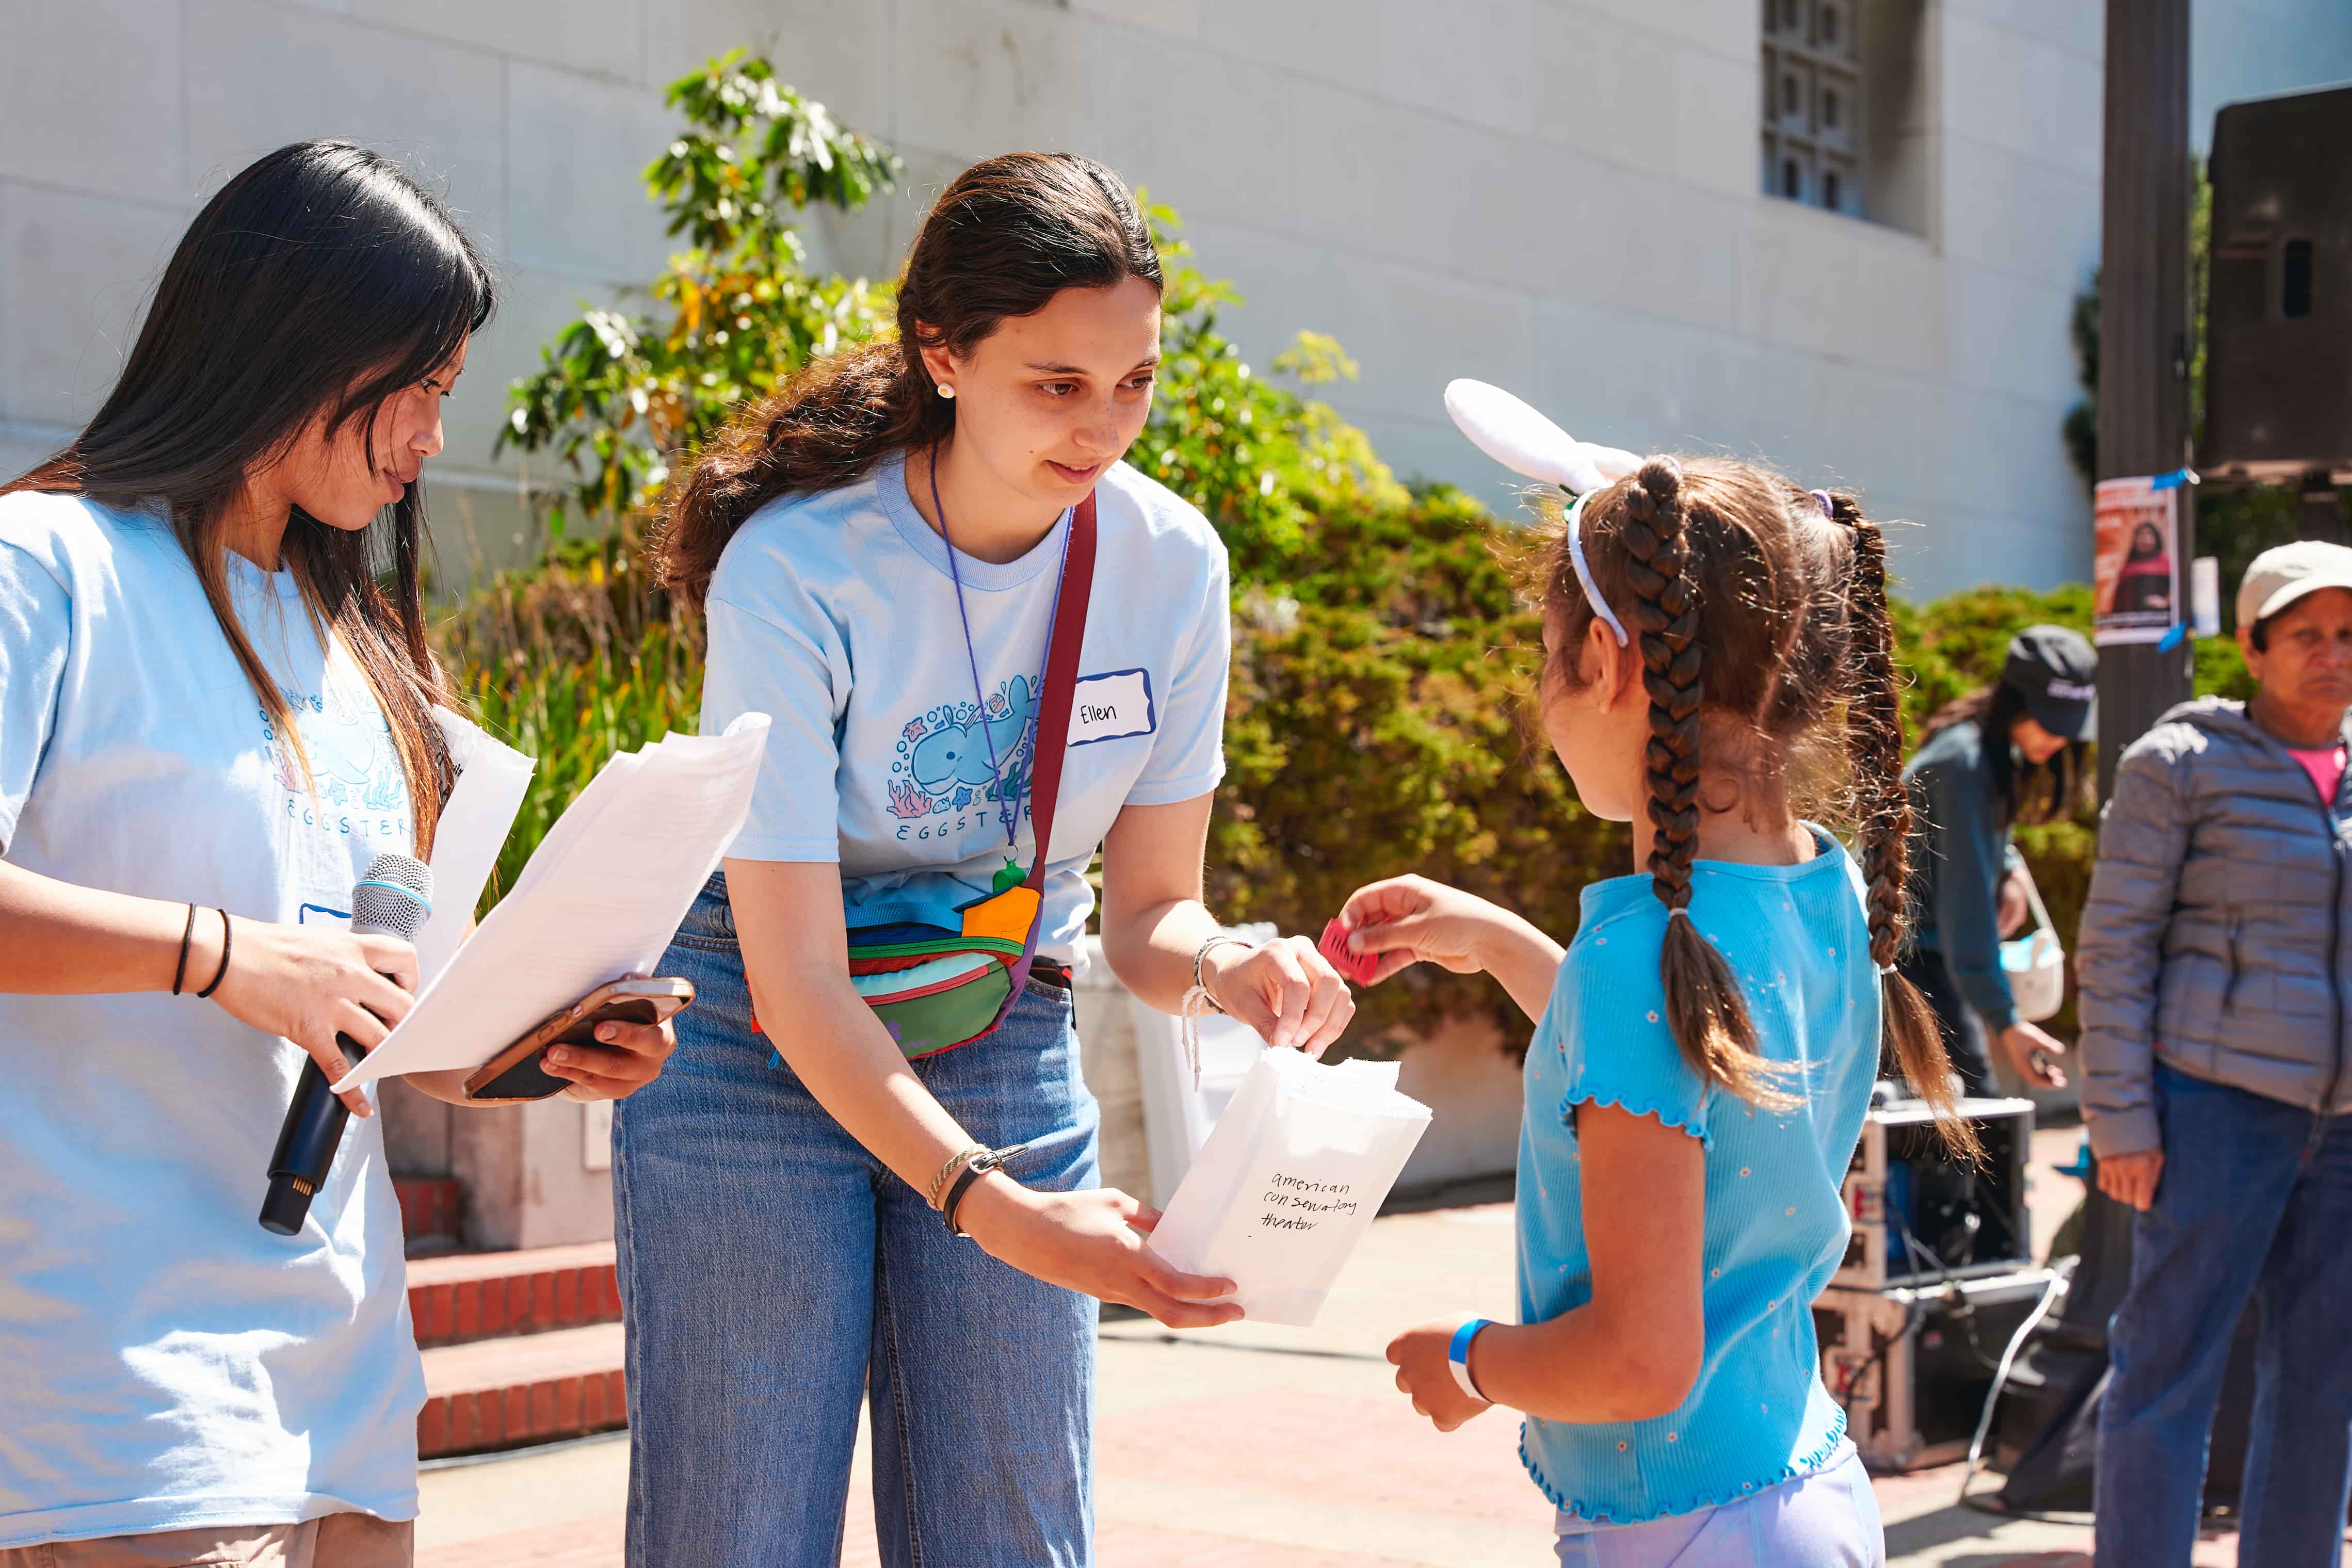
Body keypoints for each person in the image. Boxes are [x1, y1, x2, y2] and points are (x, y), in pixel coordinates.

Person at [613, 152, 1354, 1568]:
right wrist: (993, 1204)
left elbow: (1146, 910)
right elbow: (797, 979)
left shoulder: (1168, 565)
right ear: (942, 355)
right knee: (739, 1528)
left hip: (1001, 1002)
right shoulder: (798, 567)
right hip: (762, 1038)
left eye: (1131, 381)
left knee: (1010, 1530)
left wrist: (1226, 959)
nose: (1103, 428)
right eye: (1055, 384)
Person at [0, 143, 679, 1566]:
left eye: (449, 391)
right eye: (417, 385)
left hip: (346, 1387)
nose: (434, 435)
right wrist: (229, 954)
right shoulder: (47, 565)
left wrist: (533, 1042)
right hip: (112, 1381)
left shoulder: (370, 656)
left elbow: (378, 1010)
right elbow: (270, 962)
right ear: (288, 338)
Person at [1334, 431, 1973, 1562]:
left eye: (1544, 655)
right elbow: (1692, 1074)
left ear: (1609, 659)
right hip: (1797, 1483)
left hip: (1687, 1530)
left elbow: (1638, 1360)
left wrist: (1472, 1360)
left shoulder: (1646, 956)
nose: (1538, 695)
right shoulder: (1819, 885)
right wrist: (1497, 942)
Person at [2079, 540, 2352, 1566]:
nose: (2330, 654)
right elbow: (2113, 946)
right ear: (2250, 645)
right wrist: (2120, 1118)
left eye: (2345, 633)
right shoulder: (2176, 765)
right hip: (2212, 1110)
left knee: (2323, 1382)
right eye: (2303, 634)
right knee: (2164, 1371)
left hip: (2341, 1126)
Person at [1897, 626, 2094, 1097]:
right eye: (2048, 719)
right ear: (2014, 701)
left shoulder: (1980, 746)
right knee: (1973, 1124)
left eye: (2068, 724)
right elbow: (1967, 915)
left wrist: (2009, 868)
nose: (2058, 738)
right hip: (1909, 966)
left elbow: (1973, 849)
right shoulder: (1963, 764)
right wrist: (2007, 1022)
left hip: (1920, 959)